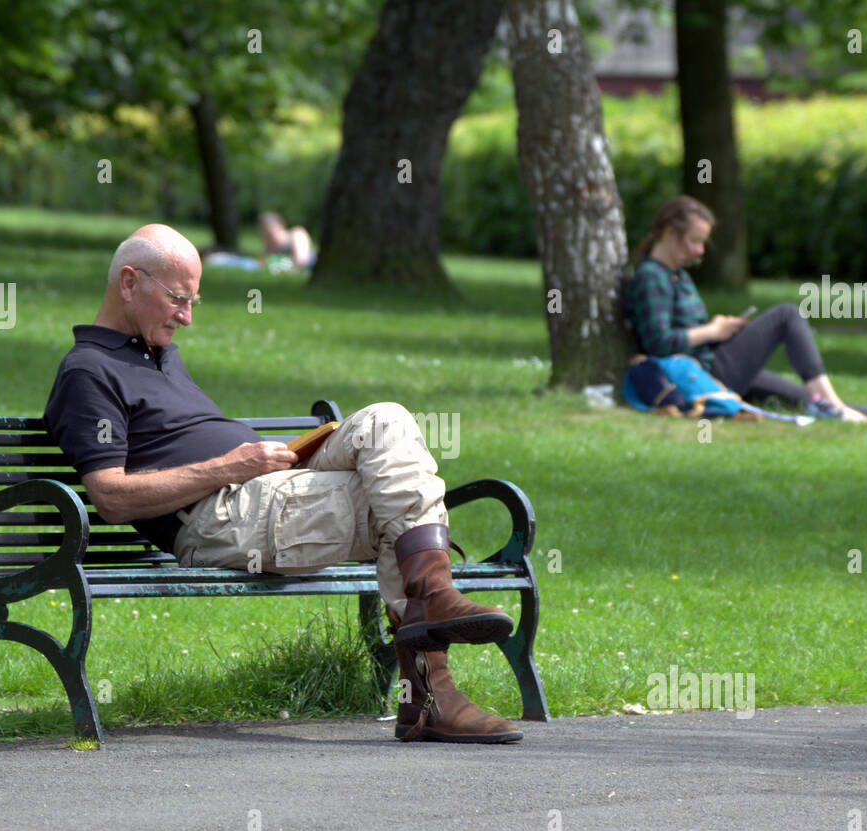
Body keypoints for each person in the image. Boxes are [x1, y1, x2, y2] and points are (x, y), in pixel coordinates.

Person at [42, 224, 519, 744]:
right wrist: (232, 466)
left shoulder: (156, 353)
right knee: (395, 502)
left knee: (389, 418)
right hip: (217, 519)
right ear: (129, 282)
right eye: (178, 299)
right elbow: (111, 496)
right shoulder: (87, 372)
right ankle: (432, 679)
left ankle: (433, 614)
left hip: (270, 488)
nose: (186, 316)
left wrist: (279, 458)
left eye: (193, 301)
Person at [622, 196, 867, 424]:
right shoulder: (651, 277)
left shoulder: (675, 276)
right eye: (694, 241)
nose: (700, 251)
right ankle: (838, 405)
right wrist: (714, 331)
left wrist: (717, 326)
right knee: (788, 314)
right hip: (708, 372)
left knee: (809, 400)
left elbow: (681, 329)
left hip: (715, 366)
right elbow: (659, 343)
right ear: (668, 232)